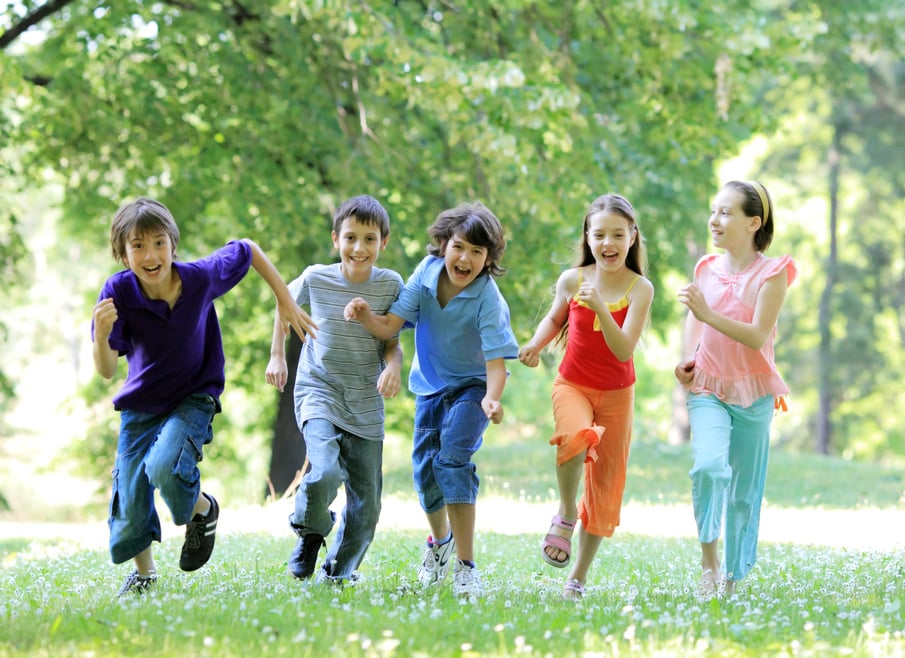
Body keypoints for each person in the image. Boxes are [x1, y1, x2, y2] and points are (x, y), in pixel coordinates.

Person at [92, 197, 317, 596]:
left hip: (193, 396)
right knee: (129, 494)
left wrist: (284, 298)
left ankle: (202, 509)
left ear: (173, 244)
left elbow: (247, 249)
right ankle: (144, 575)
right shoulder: (118, 292)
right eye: (138, 246)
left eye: (159, 242)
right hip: (141, 406)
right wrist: (101, 333)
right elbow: (107, 369)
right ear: (122, 254)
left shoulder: (199, 278)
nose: (150, 254)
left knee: (165, 467)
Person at [344, 201, 519, 600]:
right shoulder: (425, 274)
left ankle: (466, 567)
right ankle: (441, 547)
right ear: (443, 245)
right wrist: (366, 315)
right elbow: (393, 324)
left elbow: (495, 364)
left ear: (488, 259)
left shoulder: (488, 299)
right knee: (425, 475)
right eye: (460, 247)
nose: (466, 258)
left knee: (452, 460)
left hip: (473, 388)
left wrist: (492, 400)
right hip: (431, 386)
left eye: (478, 252)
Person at [518, 193, 654, 601]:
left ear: (632, 237)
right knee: (574, 437)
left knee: (605, 485)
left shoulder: (639, 288)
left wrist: (600, 309)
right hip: (572, 384)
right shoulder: (572, 279)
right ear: (588, 237)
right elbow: (554, 316)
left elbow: (624, 350)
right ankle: (565, 511)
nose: (608, 243)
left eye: (617, 234)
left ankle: (576, 577)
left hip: (617, 393)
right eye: (599, 235)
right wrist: (536, 343)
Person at [265, 195, 404, 586]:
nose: (359, 248)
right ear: (335, 238)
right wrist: (278, 356)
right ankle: (310, 531)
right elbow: (283, 304)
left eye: (370, 239)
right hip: (318, 389)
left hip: (365, 400)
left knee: (367, 506)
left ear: (384, 242)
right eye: (351, 237)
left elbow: (393, 339)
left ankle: (337, 573)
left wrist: (393, 367)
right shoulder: (315, 277)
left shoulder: (391, 284)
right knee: (324, 469)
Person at [674, 180, 796, 599]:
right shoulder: (706, 267)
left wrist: (707, 313)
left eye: (725, 213)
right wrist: (686, 359)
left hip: (755, 394)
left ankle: (732, 577)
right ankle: (709, 564)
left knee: (744, 493)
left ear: (753, 223)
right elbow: (694, 321)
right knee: (709, 468)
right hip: (708, 386)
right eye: (714, 211)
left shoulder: (773, 274)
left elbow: (758, 334)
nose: (715, 220)